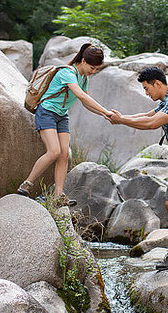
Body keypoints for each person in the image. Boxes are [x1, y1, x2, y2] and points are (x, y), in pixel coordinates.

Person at [109, 67, 168, 270]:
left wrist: (122, 121)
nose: (146, 93)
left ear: (158, 83)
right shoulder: (166, 102)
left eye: (147, 89)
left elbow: (152, 124)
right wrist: (122, 118)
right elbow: (147, 115)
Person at [17, 43, 112, 204]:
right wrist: (106, 111)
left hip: (62, 116)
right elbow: (81, 96)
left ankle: (58, 195)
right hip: (46, 112)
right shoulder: (68, 73)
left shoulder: (83, 78)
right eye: (92, 67)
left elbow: (86, 103)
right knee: (54, 151)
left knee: (64, 154)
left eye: (96, 69)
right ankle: (27, 184)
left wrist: (105, 114)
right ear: (83, 61)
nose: (93, 71)